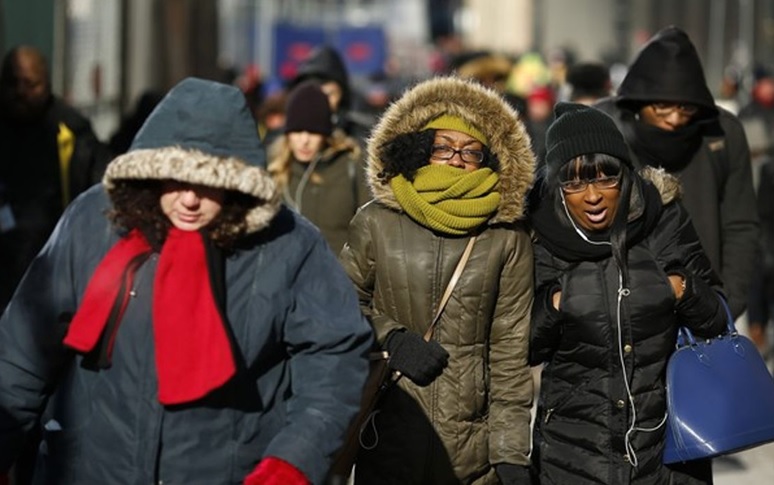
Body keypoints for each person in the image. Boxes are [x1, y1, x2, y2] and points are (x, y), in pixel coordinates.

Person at [0, 77, 373, 485]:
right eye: (176, 179)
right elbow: (21, 356)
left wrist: (292, 462)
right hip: (90, 469)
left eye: (209, 185)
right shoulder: (93, 223)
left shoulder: (289, 244)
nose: (190, 200)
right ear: (151, 171)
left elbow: (333, 357)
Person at [339, 76, 535, 484]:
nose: (456, 159)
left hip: (473, 454)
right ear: (418, 150)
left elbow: (509, 355)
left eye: (471, 151)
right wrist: (391, 336)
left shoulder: (506, 238)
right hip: (387, 433)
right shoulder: (376, 221)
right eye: (442, 146)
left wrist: (510, 451)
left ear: (490, 161)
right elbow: (338, 305)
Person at [528, 102, 728, 484]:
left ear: (626, 174)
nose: (592, 196)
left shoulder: (662, 219)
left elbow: (717, 320)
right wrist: (556, 305)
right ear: (557, 185)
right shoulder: (540, 234)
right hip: (573, 452)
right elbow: (523, 346)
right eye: (574, 182)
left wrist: (680, 289)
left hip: (669, 449)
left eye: (607, 178)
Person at [594, 26, 759, 320]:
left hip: (702, 305)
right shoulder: (601, 129)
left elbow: (740, 225)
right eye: (661, 106)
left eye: (686, 108)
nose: (674, 118)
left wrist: (727, 303)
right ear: (638, 100)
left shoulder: (722, 134)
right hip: (616, 310)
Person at [0, 45, 111, 311]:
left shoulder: (72, 131)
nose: (21, 93)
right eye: (12, 83)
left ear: (48, 84)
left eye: (31, 84)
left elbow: (98, 196)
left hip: (50, 271)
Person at [268, 80, 369, 252]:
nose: (305, 140)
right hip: (289, 274)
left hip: (340, 274)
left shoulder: (351, 164)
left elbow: (368, 232)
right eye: (298, 131)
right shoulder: (274, 168)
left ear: (325, 134)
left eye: (313, 132)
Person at [289, 45, 373, 145]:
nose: (323, 102)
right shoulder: (287, 136)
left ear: (342, 95)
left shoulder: (363, 135)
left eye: (330, 95)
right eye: (317, 95)